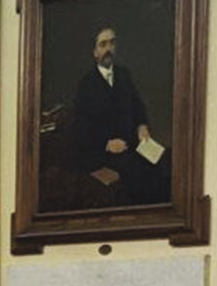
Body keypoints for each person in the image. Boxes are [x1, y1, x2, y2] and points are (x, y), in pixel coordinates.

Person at [70, 27, 169, 205]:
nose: (108, 49)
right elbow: (80, 128)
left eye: (112, 43)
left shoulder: (124, 75)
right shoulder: (86, 84)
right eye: (103, 44)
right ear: (95, 52)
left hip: (132, 143)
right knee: (137, 172)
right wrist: (106, 144)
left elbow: (138, 106)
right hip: (102, 152)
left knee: (164, 161)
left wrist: (142, 126)